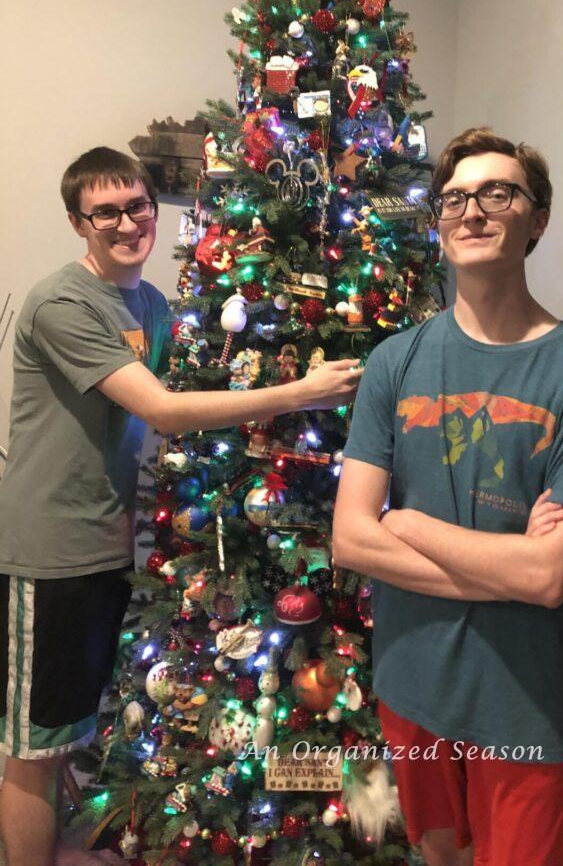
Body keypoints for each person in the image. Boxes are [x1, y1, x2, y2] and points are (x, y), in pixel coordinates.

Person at [0, 146, 362, 866]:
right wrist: (301, 393)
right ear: (78, 222)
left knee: (73, 731)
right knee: (35, 750)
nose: (128, 222)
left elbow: (189, 400)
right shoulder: (62, 303)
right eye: (105, 212)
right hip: (50, 551)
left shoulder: (151, 305)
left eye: (137, 205)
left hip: (109, 545)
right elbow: (164, 410)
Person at [333, 127, 563, 866]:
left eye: (498, 193)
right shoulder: (393, 362)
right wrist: (510, 565)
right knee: (440, 857)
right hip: (411, 679)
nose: (471, 211)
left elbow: (548, 576)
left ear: (537, 218)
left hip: (520, 698)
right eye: (455, 197)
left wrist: (407, 524)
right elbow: (351, 538)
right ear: (439, 221)